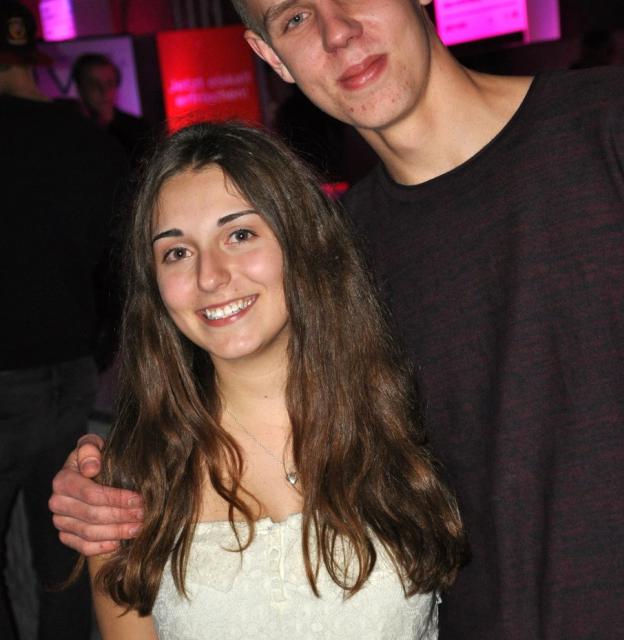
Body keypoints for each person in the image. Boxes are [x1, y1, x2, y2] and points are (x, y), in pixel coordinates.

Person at [50, 1, 624, 638]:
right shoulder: (334, 261)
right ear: (270, 56)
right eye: (294, 17)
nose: (338, 32)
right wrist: (105, 483)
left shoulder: (618, 125)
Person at [81, 120, 465, 638]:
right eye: (177, 252)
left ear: (299, 241)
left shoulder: (408, 418)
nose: (210, 276)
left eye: (239, 235)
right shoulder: (128, 486)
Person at [0, 2, 127, 639]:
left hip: (6, 375)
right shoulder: (84, 140)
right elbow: (120, 254)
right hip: (73, 372)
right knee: (65, 559)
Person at [72, 52, 150, 163]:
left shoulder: (139, 131)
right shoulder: (71, 133)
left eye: (110, 83)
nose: (104, 91)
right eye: (94, 84)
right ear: (80, 88)